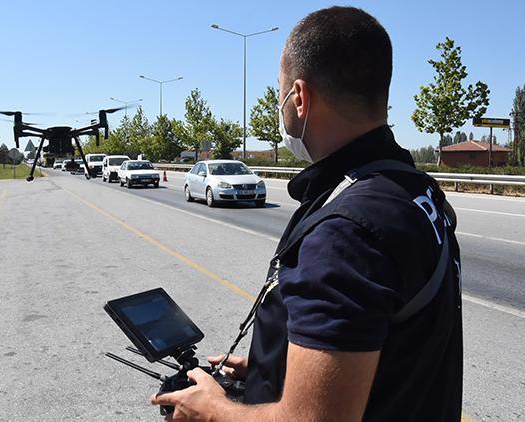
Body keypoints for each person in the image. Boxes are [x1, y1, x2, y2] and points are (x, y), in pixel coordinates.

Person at [151, 6, 462, 421]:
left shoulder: (346, 233)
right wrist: (273, 366)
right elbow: (392, 349)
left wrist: (213, 410)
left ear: (299, 97)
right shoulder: (415, 191)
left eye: (280, 93)